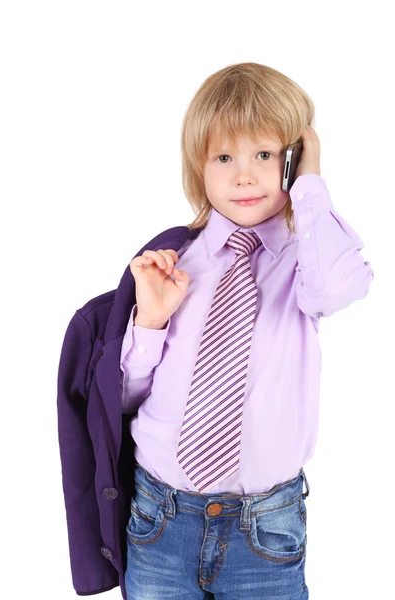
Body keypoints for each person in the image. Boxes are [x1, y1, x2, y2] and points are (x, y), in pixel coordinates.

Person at [120, 62, 374, 599]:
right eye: (224, 157)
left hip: (264, 528)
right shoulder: (174, 262)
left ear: (294, 159)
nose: (244, 175)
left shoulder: (307, 263)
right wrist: (151, 321)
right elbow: (122, 398)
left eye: (265, 155)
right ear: (199, 166)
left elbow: (338, 289)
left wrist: (309, 186)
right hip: (160, 521)